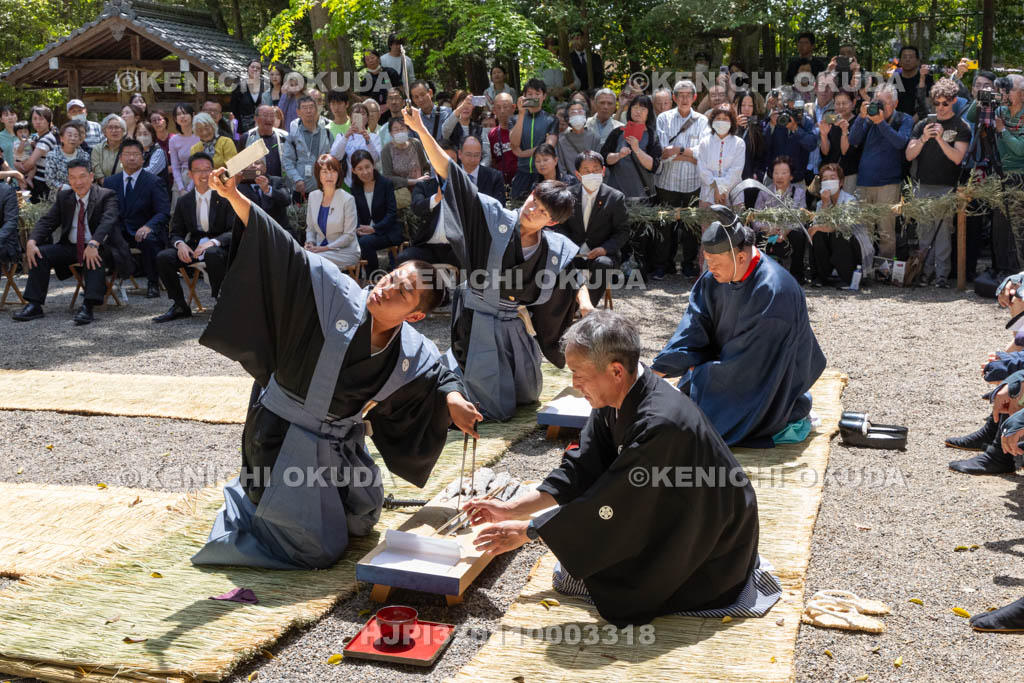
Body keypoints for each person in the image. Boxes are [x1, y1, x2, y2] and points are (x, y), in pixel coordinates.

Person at [189, 167, 482, 570]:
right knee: (316, 550)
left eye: (402, 292)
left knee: (362, 517)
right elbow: (281, 247)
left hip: (335, 443)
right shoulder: (334, 294)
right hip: (280, 437)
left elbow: (439, 374)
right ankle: (249, 508)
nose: (386, 288)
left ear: (414, 316)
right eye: (391, 278)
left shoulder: (410, 348)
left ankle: (282, 502)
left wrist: (453, 399)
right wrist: (235, 197)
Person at [464, 311, 779, 627]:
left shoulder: (661, 423)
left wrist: (529, 531)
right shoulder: (617, 396)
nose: (574, 384)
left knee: (615, 586)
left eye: (578, 374)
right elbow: (583, 467)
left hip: (711, 541)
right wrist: (512, 509)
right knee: (581, 564)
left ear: (615, 370)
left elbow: (616, 501)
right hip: (670, 506)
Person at [406, 104, 593, 421]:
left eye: (542, 212)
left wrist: (585, 304)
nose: (531, 210)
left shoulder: (552, 245)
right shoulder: (494, 216)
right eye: (534, 200)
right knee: (492, 405)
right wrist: (422, 130)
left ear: (551, 222)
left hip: (512, 322)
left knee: (527, 395)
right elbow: (451, 174)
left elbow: (574, 276)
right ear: (530, 193)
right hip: (477, 319)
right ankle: (441, 392)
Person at [652, 211, 826, 446]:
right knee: (682, 403)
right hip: (729, 366)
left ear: (741, 257)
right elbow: (694, 325)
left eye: (716, 262)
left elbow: (755, 364)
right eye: (707, 261)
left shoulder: (775, 291)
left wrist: (701, 371)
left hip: (769, 379)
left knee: (697, 424)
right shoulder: (714, 277)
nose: (710, 268)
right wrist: (660, 368)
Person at [13, 160, 131, 325]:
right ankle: (34, 304)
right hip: (71, 246)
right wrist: (32, 241)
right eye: (73, 177)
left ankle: (88, 306)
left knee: (93, 256)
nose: (78, 182)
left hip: (101, 246)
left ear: (91, 177)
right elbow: (48, 221)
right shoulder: (64, 196)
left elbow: (108, 221)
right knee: (40, 253)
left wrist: (94, 243)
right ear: (68, 179)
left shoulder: (106, 195)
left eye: (82, 176)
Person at [904, 78, 971, 288]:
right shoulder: (922, 125)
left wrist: (940, 139)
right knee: (924, 232)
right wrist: (924, 138)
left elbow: (957, 158)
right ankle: (925, 273)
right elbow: (909, 155)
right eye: (936, 103)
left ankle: (941, 275)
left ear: (954, 101)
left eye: (945, 103)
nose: (940, 107)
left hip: (946, 186)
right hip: (922, 185)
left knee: (943, 234)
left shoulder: (961, 126)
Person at [153, 152, 234, 322]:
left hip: (221, 247)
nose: (204, 174)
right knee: (164, 257)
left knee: (212, 253)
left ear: (213, 172)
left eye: (207, 169)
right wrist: (180, 244)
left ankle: (221, 304)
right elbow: (175, 232)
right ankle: (179, 305)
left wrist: (213, 242)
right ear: (190, 174)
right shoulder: (184, 201)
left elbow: (234, 230)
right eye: (198, 170)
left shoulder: (225, 197)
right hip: (195, 246)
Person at [848, 84, 912, 265]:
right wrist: (861, 117)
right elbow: (853, 140)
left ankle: (886, 267)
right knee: (864, 229)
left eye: (885, 102)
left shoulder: (903, 119)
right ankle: (866, 267)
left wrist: (880, 122)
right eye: (878, 102)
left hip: (888, 183)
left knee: (886, 231)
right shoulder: (869, 118)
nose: (880, 106)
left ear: (895, 103)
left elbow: (900, 143)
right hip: (864, 181)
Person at [554, 151, 628, 305]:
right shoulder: (568, 195)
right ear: (578, 174)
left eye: (596, 170)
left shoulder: (615, 197)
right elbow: (560, 227)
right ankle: (564, 308)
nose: (592, 174)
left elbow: (622, 231)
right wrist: (570, 248)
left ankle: (586, 308)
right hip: (574, 253)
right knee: (557, 263)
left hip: (601, 254)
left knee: (603, 264)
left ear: (603, 171)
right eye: (586, 171)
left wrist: (605, 249)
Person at [653, 80, 709, 279]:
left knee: (690, 226)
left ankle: (688, 264)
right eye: (681, 95)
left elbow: (703, 152)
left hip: (693, 183)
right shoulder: (664, 119)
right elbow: (662, 151)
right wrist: (689, 155)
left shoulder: (702, 121)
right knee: (664, 224)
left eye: (688, 95)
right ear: (674, 98)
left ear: (695, 98)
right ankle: (662, 264)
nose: (685, 99)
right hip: (667, 182)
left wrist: (678, 150)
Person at [103, 139, 171, 298]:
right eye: (127, 154)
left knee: (149, 240)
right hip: (119, 231)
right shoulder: (110, 182)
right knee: (98, 241)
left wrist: (149, 226)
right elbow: (106, 211)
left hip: (145, 229)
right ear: (120, 158)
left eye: (135, 154)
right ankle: (99, 285)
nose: (131, 158)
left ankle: (153, 283)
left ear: (143, 158)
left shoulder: (154, 181)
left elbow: (163, 212)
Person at [807, 163, 874, 287]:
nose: (828, 182)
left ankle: (848, 277)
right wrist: (825, 204)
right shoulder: (820, 203)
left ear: (841, 182)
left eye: (832, 178)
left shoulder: (850, 201)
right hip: (832, 243)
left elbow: (842, 226)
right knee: (817, 234)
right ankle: (821, 277)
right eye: (825, 179)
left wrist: (819, 227)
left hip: (852, 245)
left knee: (840, 233)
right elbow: (816, 225)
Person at [753, 156, 810, 284]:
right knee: (758, 237)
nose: (779, 176)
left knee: (798, 236)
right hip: (769, 231)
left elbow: (801, 217)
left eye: (784, 173)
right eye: (776, 173)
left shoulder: (799, 192)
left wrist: (785, 230)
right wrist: (768, 228)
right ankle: (760, 274)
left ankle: (796, 276)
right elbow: (756, 216)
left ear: (791, 176)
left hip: (789, 231)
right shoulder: (764, 192)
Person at [304, 153, 361, 271]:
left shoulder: (348, 199)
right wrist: (310, 242)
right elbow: (310, 228)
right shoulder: (313, 196)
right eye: (324, 171)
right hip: (319, 250)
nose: (329, 176)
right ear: (318, 174)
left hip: (344, 252)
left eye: (333, 171)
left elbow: (349, 235)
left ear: (338, 174)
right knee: (302, 257)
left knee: (310, 260)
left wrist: (325, 248)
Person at [602, 94, 662, 202]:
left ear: (648, 112)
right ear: (630, 110)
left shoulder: (652, 136)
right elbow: (604, 158)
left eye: (643, 109)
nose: (638, 111)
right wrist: (618, 155)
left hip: (642, 195)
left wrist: (637, 150)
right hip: (616, 194)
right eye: (635, 107)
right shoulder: (618, 132)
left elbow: (653, 166)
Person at [351, 149, 400, 273]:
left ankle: (373, 276)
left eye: (367, 167)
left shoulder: (385, 183)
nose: (365, 172)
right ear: (354, 171)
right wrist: (359, 228)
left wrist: (374, 229)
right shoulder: (355, 188)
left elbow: (392, 213)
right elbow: (355, 213)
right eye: (360, 168)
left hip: (387, 231)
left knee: (365, 242)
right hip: (365, 232)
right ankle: (356, 276)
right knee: (350, 240)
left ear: (373, 165)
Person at [509, 79, 559, 200]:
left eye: (537, 94)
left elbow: (548, 147)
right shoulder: (514, 119)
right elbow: (514, 143)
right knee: (518, 207)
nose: (534, 97)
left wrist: (522, 153)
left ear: (544, 96)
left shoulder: (551, 119)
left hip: (544, 173)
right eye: (530, 94)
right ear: (524, 96)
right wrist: (521, 114)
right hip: (522, 173)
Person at [695, 104, 745, 212]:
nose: (721, 122)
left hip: (733, 196)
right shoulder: (705, 143)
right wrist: (715, 187)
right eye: (718, 118)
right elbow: (702, 170)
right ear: (712, 121)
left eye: (725, 119)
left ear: (732, 122)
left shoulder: (739, 143)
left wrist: (721, 189)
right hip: (708, 196)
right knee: (709, 223)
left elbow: (736, 171)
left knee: (733, 223)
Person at [282, 95, 333, 200]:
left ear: (316, 110)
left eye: (311, 107)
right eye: (304, 108)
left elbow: (333, 157)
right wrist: (296, 179)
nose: (308, 111)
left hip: (323, 186)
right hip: (301, 188)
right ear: (298, 112)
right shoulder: (293, 135)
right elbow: (287, 160)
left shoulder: (326, 132)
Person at [818, 89, 862, 193]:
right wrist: (823, 135)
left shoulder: (858, 122)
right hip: (830, 174)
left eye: (844, 103)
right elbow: (825, 152)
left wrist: (844, 132)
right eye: (837, 103)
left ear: (853, 103)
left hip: (849, 174)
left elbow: (845, 152)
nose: (841, 107)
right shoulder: (831, 120)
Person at [237, 156, 291, 238]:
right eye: (249, 164)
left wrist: (268, 190)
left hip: (278, 232)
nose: (253, 165)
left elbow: (286, 200)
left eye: (257, 163)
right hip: (252, 235)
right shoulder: (239, 187)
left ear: (265, 168)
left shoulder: (276, 181)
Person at [381, 117, 429, 210]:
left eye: (402, 128)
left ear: (408, 130)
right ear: (391, 133)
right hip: (400, 197)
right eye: (396, 129)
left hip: (421, 192)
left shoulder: (416, 143)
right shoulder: (386, 150)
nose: (399, 132)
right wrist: (413, 181)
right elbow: (387, 176)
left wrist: (426, 177)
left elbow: (426, 166)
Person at [330, 101, 382, 186]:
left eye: (363, 113)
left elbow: (375, 159)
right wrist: (346, 136)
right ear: (350, 117)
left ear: (367, 118)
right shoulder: (342, 136)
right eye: (356, 113)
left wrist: (368, 140)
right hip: (348, 183)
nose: (360, 116)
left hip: (369, 182)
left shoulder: (374, 137)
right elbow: (335, 156)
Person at [734, 91, 767, 207]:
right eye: (743, 105)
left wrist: (757, 172)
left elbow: (762, 156)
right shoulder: (730, 125)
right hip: (732, 177)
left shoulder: (759, 127)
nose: (746, 109)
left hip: (750, 177)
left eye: (750, 105)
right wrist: (734, 126)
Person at [442, 92, 492, 167]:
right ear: (456, 107)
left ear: (473, 107)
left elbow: (487, 156)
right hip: (456, 170)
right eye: (462, 105)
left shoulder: (479, 129)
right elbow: (445, 130)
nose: (465, 108)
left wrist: (477, 170)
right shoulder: (451, 127)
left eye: (469, 104)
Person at [242, 104, 288, 181]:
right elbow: (238, 173)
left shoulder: (284, 137)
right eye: (265, 116)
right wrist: (259, 173)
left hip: (281, 185)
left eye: (272, 116)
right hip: (255, 185)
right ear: (255, 118)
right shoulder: (247, 138)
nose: (269, 119)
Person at [457, 135, 506, 203]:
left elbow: (499, 206)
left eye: (476, 155)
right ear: (460, 154)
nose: (472, 159)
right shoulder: (451, 175)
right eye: (468, 154)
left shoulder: (494, 177)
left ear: (481, 155)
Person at [23, 105, 57, 203]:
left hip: (42, 184)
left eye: (41, 119)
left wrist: (20, 167)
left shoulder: (47, 139)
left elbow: (30, 163)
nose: (37, 122)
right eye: (35, 119)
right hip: (37, 182)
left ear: (48, 121)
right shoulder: (36, 137)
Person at [44, 122, 91, 192]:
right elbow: (49, 180)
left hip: (81, 193)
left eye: (76, 136)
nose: (73, 138)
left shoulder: (85, 156)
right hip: (59, 195)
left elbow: (88, 176)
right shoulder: (52, 156)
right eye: (69, 135)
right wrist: (63, 188)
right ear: (61, 138)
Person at [557, 101, 600, 177]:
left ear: (585, 115)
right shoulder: (561, 141)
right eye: (573, 113)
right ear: (568, 118)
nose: (577, 115)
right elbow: (561, 169)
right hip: (571, 182)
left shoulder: (595, 138)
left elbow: (599, 163)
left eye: (580, 112)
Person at [169, 104, 199, 202]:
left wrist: (190, 187)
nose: (182, 116)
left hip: (199, 177)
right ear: (175, 119)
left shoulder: (200, 137)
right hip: (180, 179)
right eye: (178, 114)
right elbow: (175, 167)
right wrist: (181, 188)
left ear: (193, 115)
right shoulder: (173, 140)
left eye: (185, 113)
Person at [893, 46, 932, 120]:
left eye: (911, 57)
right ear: (900, 61)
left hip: (920, 121)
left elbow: (927, 104)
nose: (907, 60)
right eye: (904, 57)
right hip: (897, 121)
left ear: (918, 61)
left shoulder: (926, 78)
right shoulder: (895, 78)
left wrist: (910, 122)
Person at [488, 92, 517, 187]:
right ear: (494, 110)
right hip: (503, 183)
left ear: (513, 107)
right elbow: (493, 161)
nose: (502, 111)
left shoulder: (522, 129)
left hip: (523, 180)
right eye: (498, 107)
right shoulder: (492, 134)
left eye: (505, 106)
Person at [230, 59, 266, 135]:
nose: (255, 69)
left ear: (261, 71)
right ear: (248, 69)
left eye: (258, 68)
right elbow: (234, 109)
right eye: (252, 67)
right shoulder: (240, 86)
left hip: (262, 124)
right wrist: (239, 129)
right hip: (244, 126)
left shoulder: (265, 87)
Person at [134, 120, 169, 189]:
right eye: (139, 134)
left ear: (152, 135)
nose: (142, 137)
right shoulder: (137, 152)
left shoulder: (158, 151)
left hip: (157, 191)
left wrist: (131, 171)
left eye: (145, 134)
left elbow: (150, 172)